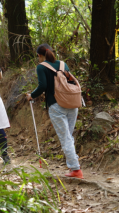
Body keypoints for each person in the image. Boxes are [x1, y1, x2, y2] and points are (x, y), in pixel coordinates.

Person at [26, 44, 84, 179]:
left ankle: (76, 169)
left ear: (39, 55)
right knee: (68, 136)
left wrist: (31, 96)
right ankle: (72, 165)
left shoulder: (41, 67)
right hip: (72, 103)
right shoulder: (63, 65)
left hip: (56, 105)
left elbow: (43, 86)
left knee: (66, 138)